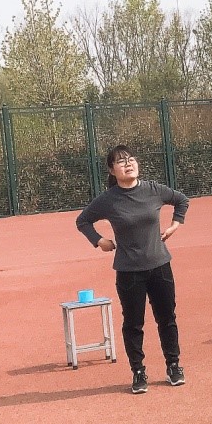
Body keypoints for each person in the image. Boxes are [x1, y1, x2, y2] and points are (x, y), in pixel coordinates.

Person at [76, 145, 189, 394]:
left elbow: (181, 200)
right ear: (111, 170)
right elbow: (82, 221)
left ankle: (173, 365)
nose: (128, 164)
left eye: (130, 159)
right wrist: (99, 241)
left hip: (160, 266)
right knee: (133, 323)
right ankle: (138, 371)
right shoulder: (108, 200)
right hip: (129, 271)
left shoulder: (153, 190)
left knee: (167, 319)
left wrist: (174, 225)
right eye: (121, 161)